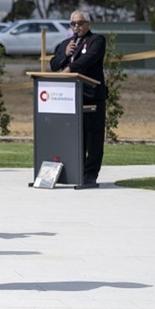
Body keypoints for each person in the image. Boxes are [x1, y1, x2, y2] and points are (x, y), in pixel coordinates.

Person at [50, 10, 107, 189]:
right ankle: (76, 171)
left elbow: (90, 59)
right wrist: (64, 55)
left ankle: (90, 174)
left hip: (91, 96)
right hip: (69, 98)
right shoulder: (67, 43)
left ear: (88, 23)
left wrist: (70, 68)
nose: (76, 27)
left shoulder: (97, 40)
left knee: (93, 137)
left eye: (80, 23)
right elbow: (53, 65)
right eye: (73, 24)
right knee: (75, 137)